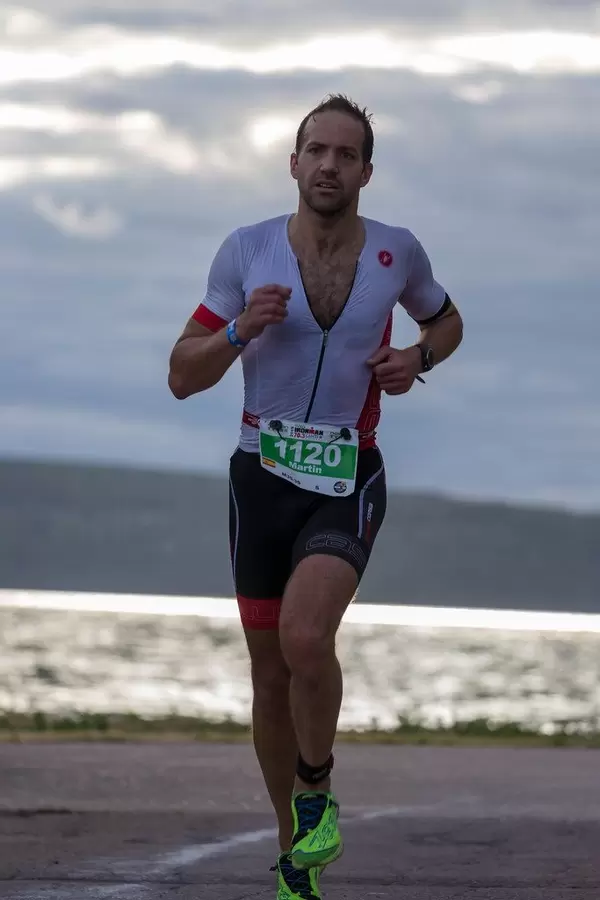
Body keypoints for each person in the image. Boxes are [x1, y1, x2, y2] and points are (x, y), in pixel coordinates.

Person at [168, 93, 463, 899]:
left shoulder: (396, 255)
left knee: (305, 637)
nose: (329, 164)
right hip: (259, 478)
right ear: (293, 163)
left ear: (367, 170)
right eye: (316, 151)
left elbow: (446, 322)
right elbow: (180, 374)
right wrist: (237, 333)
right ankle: (295, 848)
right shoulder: (248, 252)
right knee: (269, 675)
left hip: (346, 475)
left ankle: (317, 787)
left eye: (346, 153)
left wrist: (417, 360)